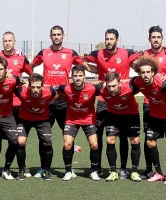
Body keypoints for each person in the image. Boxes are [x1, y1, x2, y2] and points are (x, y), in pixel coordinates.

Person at [30, 25, 90, 177]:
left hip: (64, 101)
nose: (56, 37)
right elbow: (30, 66)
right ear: (50, 37)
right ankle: (44, 167)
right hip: (48, 101)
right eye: (54, 34)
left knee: (68, 137)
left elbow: (85, 66)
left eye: (59, 34)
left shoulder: (71, 53)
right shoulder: (44, 52)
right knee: (44, 137)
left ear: (63, 36)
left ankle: (69, 169)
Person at [83, 28, 139, 177]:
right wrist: (95, 71)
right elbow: (82, 59)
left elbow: (144, 57)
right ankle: (97, 167)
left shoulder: (127, 53)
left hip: (122, 99)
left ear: (117, 40)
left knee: (123, 136)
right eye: (106, 39)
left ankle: (123, 168)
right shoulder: (98, 54)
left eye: (111, 39)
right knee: (99, 134)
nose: (108, 42)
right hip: (103, 100)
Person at [0, 31, 33, 178]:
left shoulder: (21, 57)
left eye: (10, 40)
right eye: (5, 41)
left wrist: (26, 84)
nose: (7, 43)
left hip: (17, 104)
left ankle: (20, 167)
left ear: (15, 41)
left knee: (18, 138)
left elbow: (31, 73)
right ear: (2, 42)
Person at [140, 25, 166, 180]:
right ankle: (150, 169)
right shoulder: (145, 55)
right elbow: (135, 65)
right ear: (149, 39)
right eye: (153, 37)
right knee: (148, 138)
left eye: (158, 37)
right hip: (148, 102)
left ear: (162, 39)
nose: (155, 40)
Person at [131, 55, 166, 185]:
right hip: (155, 114)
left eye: (148, 72)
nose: (145, 75)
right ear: (139, 73)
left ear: (153, 72)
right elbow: (126, 81)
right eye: (143, 72)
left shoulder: (162, 84)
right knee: (150, 142)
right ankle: (158, 173)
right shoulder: (138, 82)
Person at [56, 65, 100, 181]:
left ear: (84, 76)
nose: (78, 78)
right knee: (67, 144)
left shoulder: (93, 88)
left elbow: (106, 89)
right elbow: (54, 92)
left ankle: (94, 171)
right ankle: (68, 171)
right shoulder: (65, 88)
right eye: (75, 76)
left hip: (88, 120)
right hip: (72, 120)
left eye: (80, 75)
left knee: (94, 144)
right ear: (71, 77)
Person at [98, 72, 142, 182]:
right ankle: (113, 172)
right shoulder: (102, 90)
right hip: (114, 115)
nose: (111, 89)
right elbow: (87, 87)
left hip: (131, 115)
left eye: (114, 86)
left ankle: (134, 171)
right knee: (110, 140)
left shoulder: (130, 88)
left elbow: (142, 81)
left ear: (119, 83)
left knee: (135, 141)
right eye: (109, 86)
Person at [14, 73, 56, 180]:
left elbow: (60, 93)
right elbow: (10, 85)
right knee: (20, 142)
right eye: (33, 87)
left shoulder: (50, 92)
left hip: (42, 120)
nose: (35, 90)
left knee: (47, 142)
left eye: (38, 87)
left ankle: (47, 170)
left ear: (43, 86)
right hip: (24, 119)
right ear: (29, 87)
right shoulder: (21, 91)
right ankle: (22, 170)